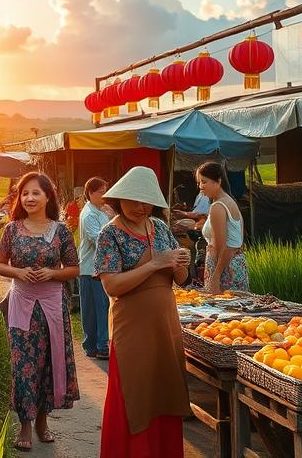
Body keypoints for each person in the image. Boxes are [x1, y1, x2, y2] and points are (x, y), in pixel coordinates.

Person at [95, 166, 192, 458]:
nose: (140, 208)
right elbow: (112, 286)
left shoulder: (160, 228)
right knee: (134, 395)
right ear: (120, 199)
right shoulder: (110, 234)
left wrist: (179, 264)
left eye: (146, 201)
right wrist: (154, 264)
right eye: (134, 201)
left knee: (165, 393)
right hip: (132, 329)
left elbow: (181, 279)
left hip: (165, 325)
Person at [0, 171, 80, 451]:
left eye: (36, 193)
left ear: (48, 197)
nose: (29, 198)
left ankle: (43, 421)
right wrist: (18, 271)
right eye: (25, 193)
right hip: (22, 305)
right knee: (23, 365)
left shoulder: (61, 231)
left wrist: (52, 274)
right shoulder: (12, 229)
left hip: (53, 307)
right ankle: (25, 425)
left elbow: (74, 268)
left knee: (49, 364)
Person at [197, 161, 250, 293]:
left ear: (218, 181)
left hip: (224, 269)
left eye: (204, 182)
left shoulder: (218, 206)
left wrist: (215, 277)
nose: (200, 186)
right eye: (199, 183)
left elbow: (221, 247)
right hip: (234, 265)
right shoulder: (229, 201)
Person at [77, 176, 112, 360]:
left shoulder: (100, 211)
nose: (104, 195)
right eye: (101, 192)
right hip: (90, 268)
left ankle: (98, 344)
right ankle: (96, 345)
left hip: (99, 268)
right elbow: (99, 239)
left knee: (101, 307)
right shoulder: (88, 214)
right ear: (90, 193)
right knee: (94, 308)